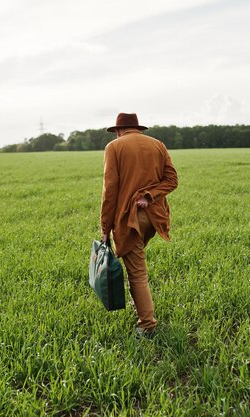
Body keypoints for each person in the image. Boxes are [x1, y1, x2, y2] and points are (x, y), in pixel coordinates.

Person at [100, 112, 178, 338]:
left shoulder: (114, 148)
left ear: (117, 131)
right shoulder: (158, 145)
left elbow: (110, 192)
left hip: (129, 219)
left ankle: (147, 324)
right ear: (138, 128)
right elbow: (172, 180)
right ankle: (142, 310)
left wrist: (105, 228)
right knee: (137, 265)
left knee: (137, 273)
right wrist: (149, 195)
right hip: (155, 217)